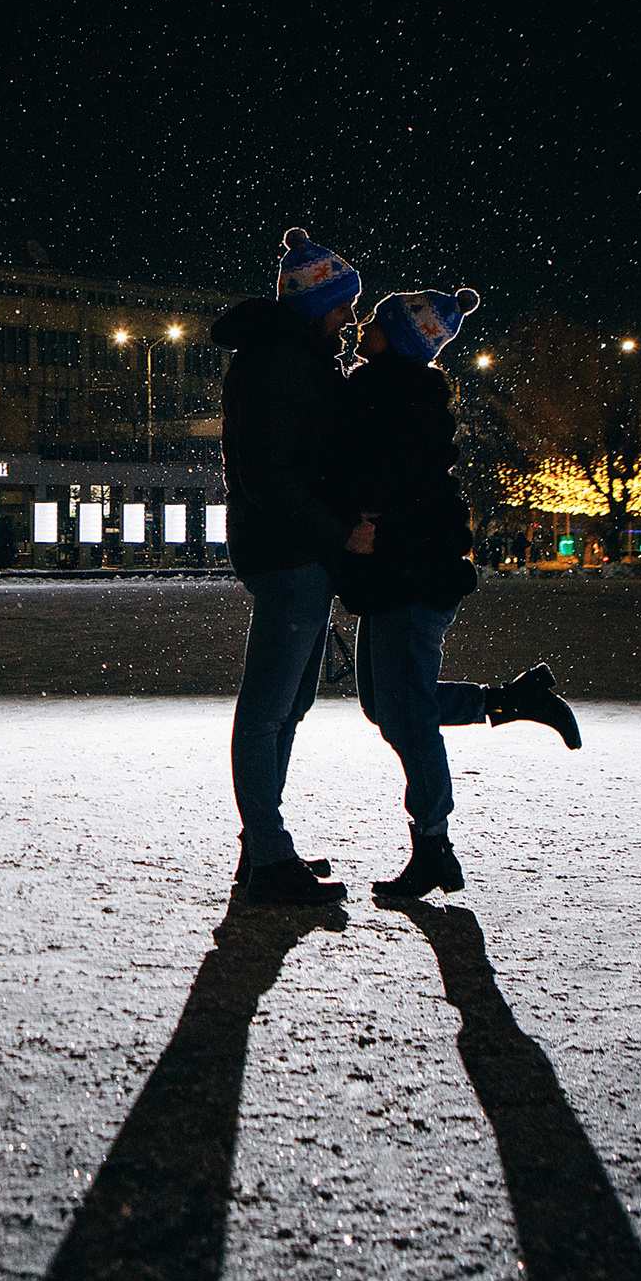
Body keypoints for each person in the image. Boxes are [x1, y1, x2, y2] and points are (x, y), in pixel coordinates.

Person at [330, 288, 583, 901]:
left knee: (409, 716)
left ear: (399, 337)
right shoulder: (392, 389)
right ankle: (512, 700)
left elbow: (374, 471)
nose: (363, 327)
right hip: (403, 572)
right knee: (385, 706)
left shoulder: (395, 393)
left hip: (411, 575)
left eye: (377, 323)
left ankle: (435, 847)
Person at [210, 229, 375, 906]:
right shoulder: (282, 360)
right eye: (343, 303)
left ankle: (265, 845)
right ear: (315, 304)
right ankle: (268, 853)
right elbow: (273, 476)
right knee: (269, 709)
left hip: (295, 552)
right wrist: (338, 531)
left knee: (288, 705)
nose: (350, 317)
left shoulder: (292, 354)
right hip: (290, 554)